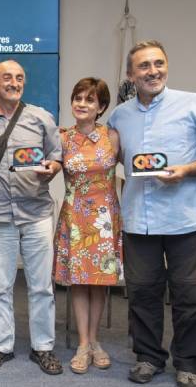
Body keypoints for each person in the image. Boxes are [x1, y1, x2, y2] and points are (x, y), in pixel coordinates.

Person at [108, 40, 196, 387]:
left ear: (166, 66)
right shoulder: (119, 116)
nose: (153, 71)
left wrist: (186, 170)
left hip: (187, 220)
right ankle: (148, 358)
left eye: (158, 63)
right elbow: (111, 158)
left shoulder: (195, 104)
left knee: (190, 297)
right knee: (143, 295)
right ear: (131, 74)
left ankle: (189, 364)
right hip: (139, 222)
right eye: (144, 66)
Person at [0, 59, 63, 375]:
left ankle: (43, 348)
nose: (14, 82)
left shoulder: (41, 118)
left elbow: (56, 158)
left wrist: (52, 168)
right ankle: (2, 346)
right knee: (0, 286)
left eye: (20, 78)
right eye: (7, 78)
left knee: (41, 286)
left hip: (36, 212)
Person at [53, 77, 122, 374]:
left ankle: (95, 341)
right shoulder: (62, 137)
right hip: (76, 215)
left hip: (105, 218)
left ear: (101, 107)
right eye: (77, 98)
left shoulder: (112, 137)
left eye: (89, 100)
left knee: (100, 283)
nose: (81, 104)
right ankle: (83, 343)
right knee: (80, 282)